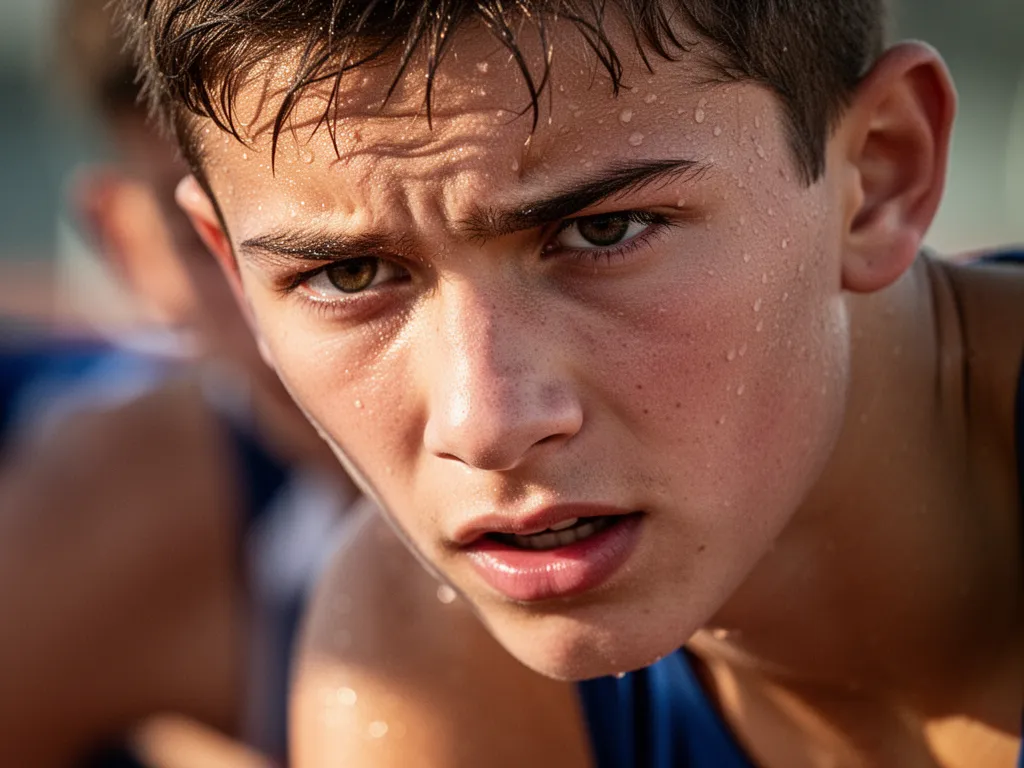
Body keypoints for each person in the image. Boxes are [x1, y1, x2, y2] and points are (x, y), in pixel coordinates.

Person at [113, 1, 1023, 765]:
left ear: (880, 173)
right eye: (348, 277)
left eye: (604, 232)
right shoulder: (416, 663)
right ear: (234, 276)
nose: (487, 421)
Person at [0, 1, 359, 765]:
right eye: (211, 243)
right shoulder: (112, 510)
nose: (280, 316)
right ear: (129, 245)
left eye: (351, 258)